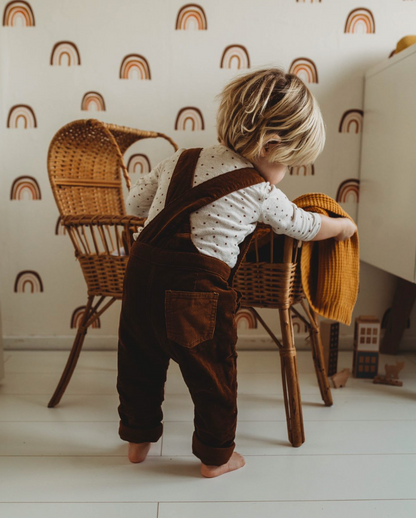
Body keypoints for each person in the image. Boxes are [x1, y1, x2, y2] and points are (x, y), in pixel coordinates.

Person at [116, 67, 358, 479]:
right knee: (213, 373)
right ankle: (216, 456)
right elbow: (304, 224)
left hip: (139, 280)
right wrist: (342, 227)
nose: (285, 174)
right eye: (289, 164)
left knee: (138, 363)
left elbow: (136, 203)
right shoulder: (259, 189)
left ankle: (137, 441)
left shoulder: (179, 157)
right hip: (196, 293)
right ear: (271, 145)